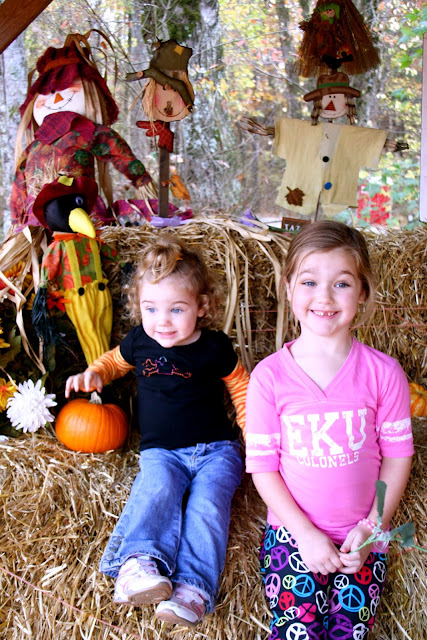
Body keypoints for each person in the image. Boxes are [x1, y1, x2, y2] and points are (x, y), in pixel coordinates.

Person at [65, 235, 249, 627]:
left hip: (218, 450)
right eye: (151, 308)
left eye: (176, 309)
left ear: (201, 306)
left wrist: (254, 434)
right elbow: (114, 362)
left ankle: (193, 589)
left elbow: (240, 387)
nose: (162, 320)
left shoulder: (215, 347)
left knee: (208, 506)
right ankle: (138, 564)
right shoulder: (140, 341)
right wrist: (95, 373)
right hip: (162, 451)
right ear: (139, 306)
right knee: (157, 488)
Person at [245, 220, 413, 640]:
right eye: (309, 282)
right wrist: (304, 535)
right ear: (288, 288)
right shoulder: (269, 377)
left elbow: (397, 458)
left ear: (363, 292)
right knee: (297, 631)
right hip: (292, 537)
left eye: (341, 283)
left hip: (362, 539)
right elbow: (263, 468)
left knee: (348, 632)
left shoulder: (384, 373)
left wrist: (372, 527)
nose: (324, 297)